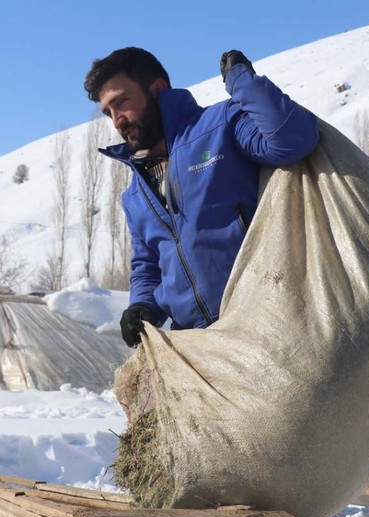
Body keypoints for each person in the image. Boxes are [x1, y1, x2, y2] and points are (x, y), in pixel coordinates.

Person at [84, 47, 319, 346]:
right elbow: (148, 263)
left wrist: (242, 81)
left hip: (270, 326)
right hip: (198, 346)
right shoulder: (134, 193)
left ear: (157, 88)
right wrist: (142, 306)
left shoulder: (220, 126)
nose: (117, 120)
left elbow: (292, 140)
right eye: (108, 112)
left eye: (122, 102)